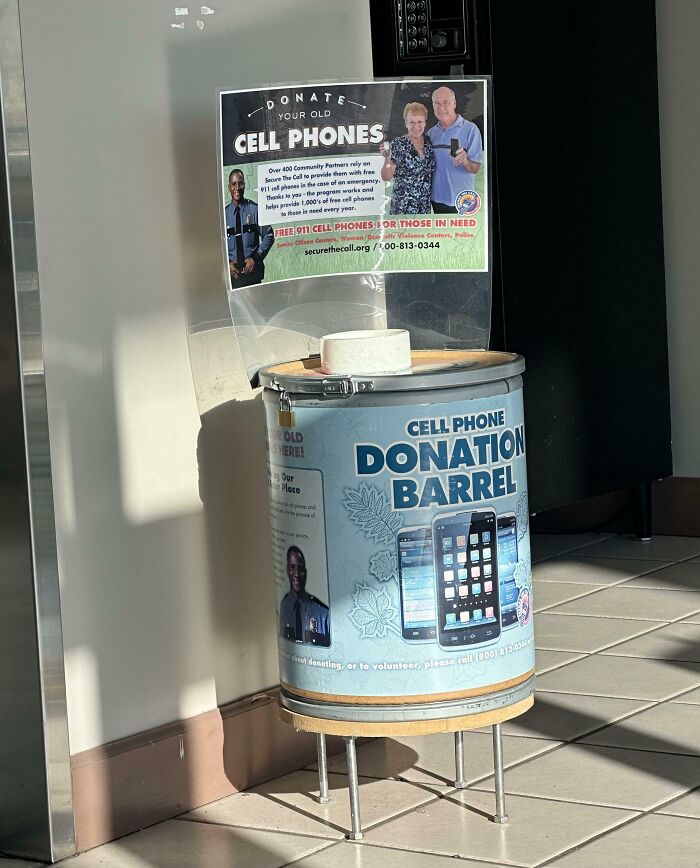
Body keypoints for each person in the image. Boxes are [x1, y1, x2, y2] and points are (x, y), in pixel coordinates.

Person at [427, 86, 483, 213]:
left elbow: (475, 169)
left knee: (463, 234)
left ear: (454, 103)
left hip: (463, 200)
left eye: (445, 102)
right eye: (437, 103)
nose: (441, 108)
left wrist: (466, 162)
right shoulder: (430, 133)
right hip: (436, 200)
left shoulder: (470, 129)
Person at [380, 102, 436, 214]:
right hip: (403, 208)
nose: (416, 127)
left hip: (424, 208)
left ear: (425, 122)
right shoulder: (398, 144)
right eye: (412, 122)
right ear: (406, 123)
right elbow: (386, 176)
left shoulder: (429, 143)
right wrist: (387, 158)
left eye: (420, 122)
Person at [225, 169, 274, 287]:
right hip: (232, 277)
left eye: (240, 183)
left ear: (244, 186)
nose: (237, 187)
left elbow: (269, 235)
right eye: (233, 184)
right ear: (229, 187)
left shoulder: (254, 210)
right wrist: (226, 265)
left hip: (253, 274)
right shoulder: (223, 215)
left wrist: (255, 258)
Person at [279, 546, 330, 646]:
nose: (296, 574)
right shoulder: (284, 606)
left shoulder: (323, 612)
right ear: (287, 570)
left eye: (300, 569)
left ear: (305, 573)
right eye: (292, 567)